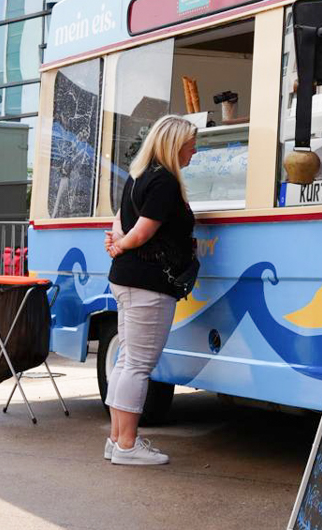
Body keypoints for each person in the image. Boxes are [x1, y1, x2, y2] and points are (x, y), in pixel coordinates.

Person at [103, 115, 198, 466]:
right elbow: (141, 232)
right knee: (138, 365)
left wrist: (117, 244)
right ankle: (127, 444)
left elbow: (119, 220)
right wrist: (122, 245)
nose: (194, 151)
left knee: (127, 361)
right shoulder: (165, 182)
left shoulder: (138, 175)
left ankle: (117, 440)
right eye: (191, 144)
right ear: (174, 144)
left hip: (127, 279)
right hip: (149, 283)